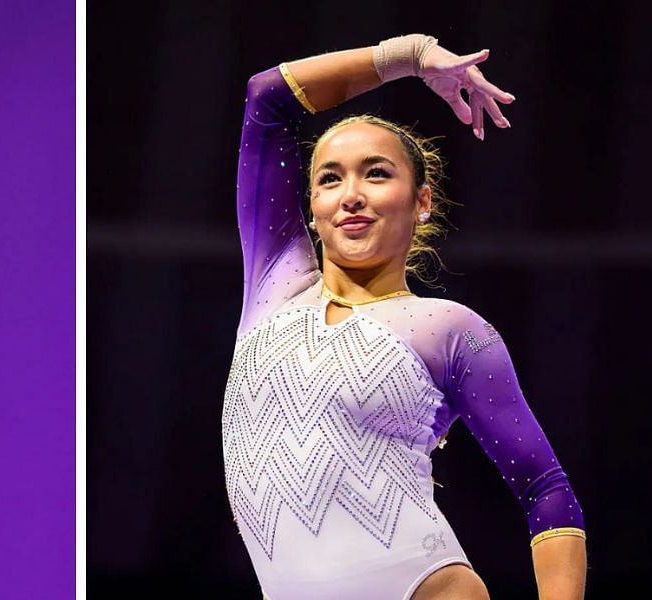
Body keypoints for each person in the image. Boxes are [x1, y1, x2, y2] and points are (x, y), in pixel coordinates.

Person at [221, 35, 586, 599]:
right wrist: (410, 56)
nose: (351, 195)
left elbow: (545, 487)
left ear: (421, 201)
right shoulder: (276, 286)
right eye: (329, 178)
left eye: (376, 173)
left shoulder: (449, 329)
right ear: (311, 211)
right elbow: (267, 97)